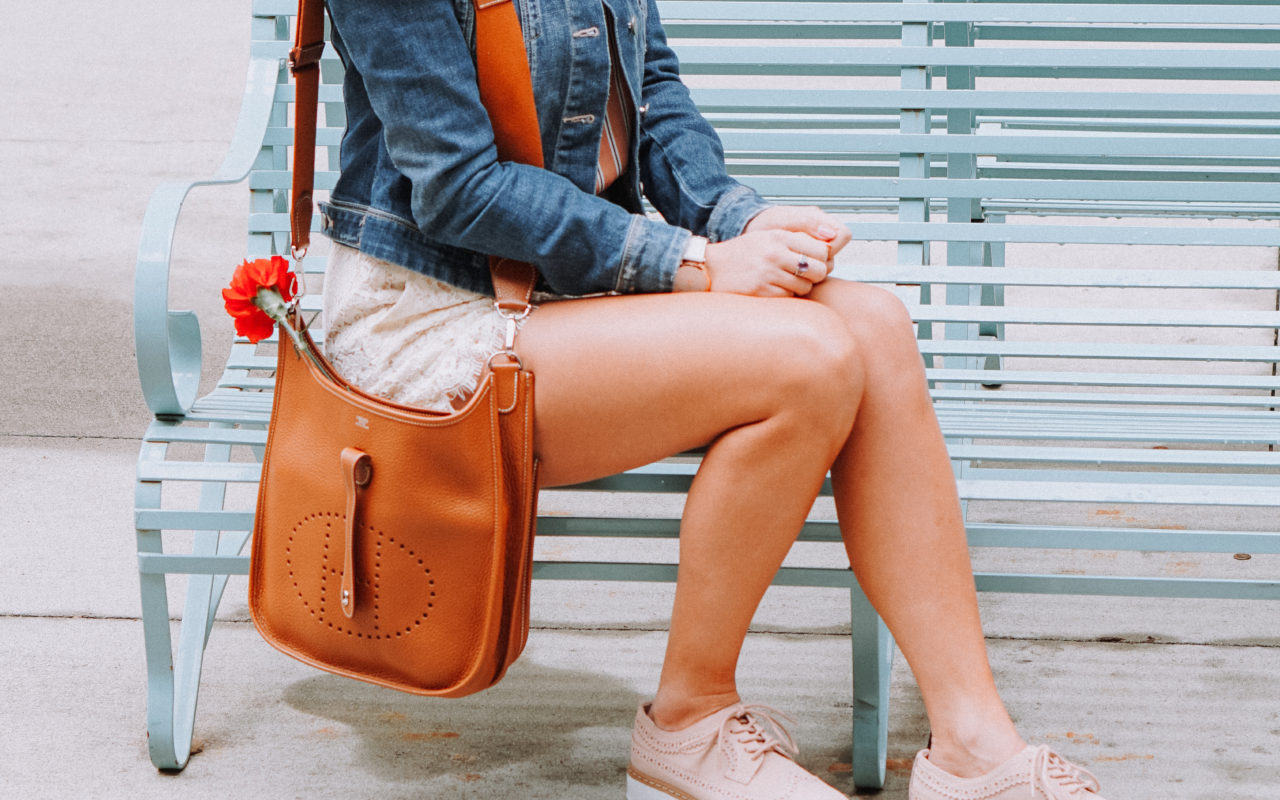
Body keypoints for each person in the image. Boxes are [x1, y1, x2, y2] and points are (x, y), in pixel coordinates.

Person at [316, 1, 1109, 798]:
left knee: (874, 325)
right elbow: (458, 189)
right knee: (808, 361)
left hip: (563, 284)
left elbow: (650, 97)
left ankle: (973, 744)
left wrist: (743, 221)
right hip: (432, 314)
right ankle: (688, 723)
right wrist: (694, 263)